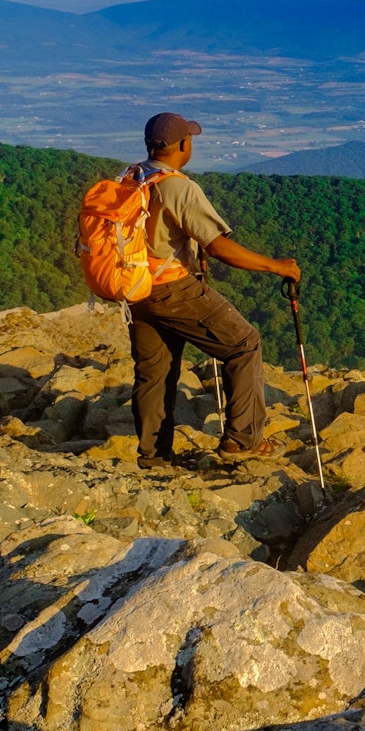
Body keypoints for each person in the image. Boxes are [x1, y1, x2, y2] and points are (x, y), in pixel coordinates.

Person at [129, 112, 301, 468]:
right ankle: (243, 440)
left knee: (154, 371)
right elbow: (218, 246)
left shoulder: (131, 177)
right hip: (173, 289)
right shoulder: (177, 186)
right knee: (243, 344)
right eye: (189, 139)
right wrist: (276, 266)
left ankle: (153, 456)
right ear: (181, 145)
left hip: (135, 290)